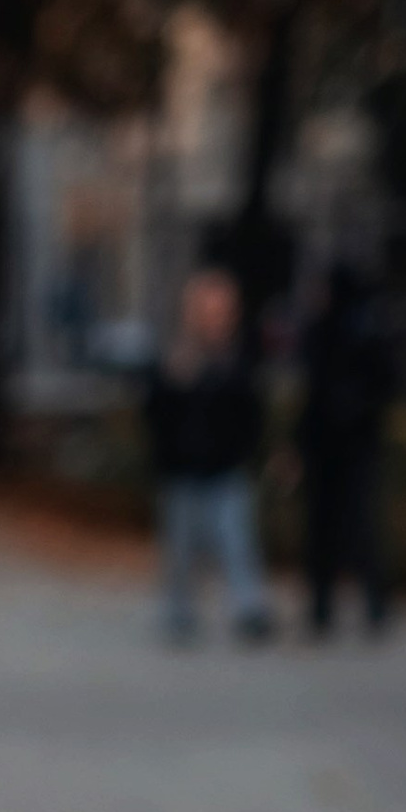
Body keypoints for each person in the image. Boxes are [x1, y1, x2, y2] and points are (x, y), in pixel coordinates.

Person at [145, 268, 274, 643]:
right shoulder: (174, 355)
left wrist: (255, 452)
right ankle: (179, 612)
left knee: (238, 541)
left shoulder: (237, 357)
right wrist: (172, 381)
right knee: (180, 549)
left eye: (222, 309)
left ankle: (250, 608)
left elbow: (252, 410)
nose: (215, 318)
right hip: (181, 469)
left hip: (227, 466)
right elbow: (153, 413)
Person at [297, 260, 394, 637]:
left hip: (358, 448)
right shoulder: (319, 330)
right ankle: (321, 608)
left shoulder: (367, 333)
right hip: (323, 448)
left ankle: (376, 604)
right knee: (320, 530)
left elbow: (385, 387)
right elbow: (310, 394)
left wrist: (355, 406)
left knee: (361, 527)